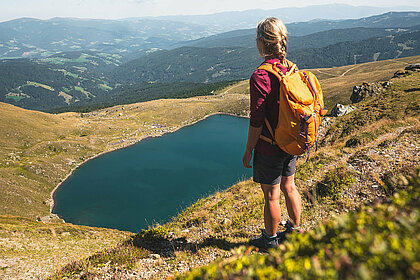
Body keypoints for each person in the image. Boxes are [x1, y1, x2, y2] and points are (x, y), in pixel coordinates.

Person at [242, 17, 302, 250]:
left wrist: (248, 150)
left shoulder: (261, 76)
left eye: (257, 38)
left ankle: (270, 240)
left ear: (262, 42)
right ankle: (295, 231)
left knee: (271, 196)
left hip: (269, 146)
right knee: (290, 186)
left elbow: (256, 121)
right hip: (291, 141)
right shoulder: (291, 69)